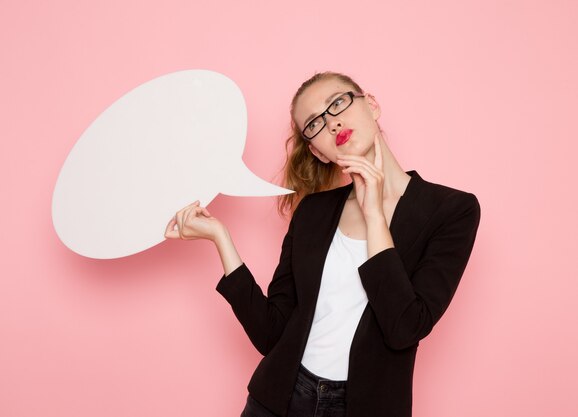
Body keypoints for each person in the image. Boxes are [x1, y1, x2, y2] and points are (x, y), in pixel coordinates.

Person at [164, 71, 481, 417]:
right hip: (279, 400)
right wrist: (220, 238)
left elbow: (405, 328)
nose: (332, 123)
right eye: (314, 123)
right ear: (318, 151)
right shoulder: (313, 213)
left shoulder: (451, 210)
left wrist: (373, 214)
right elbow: (271, 333)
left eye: (338, 103)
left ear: (371, 105)